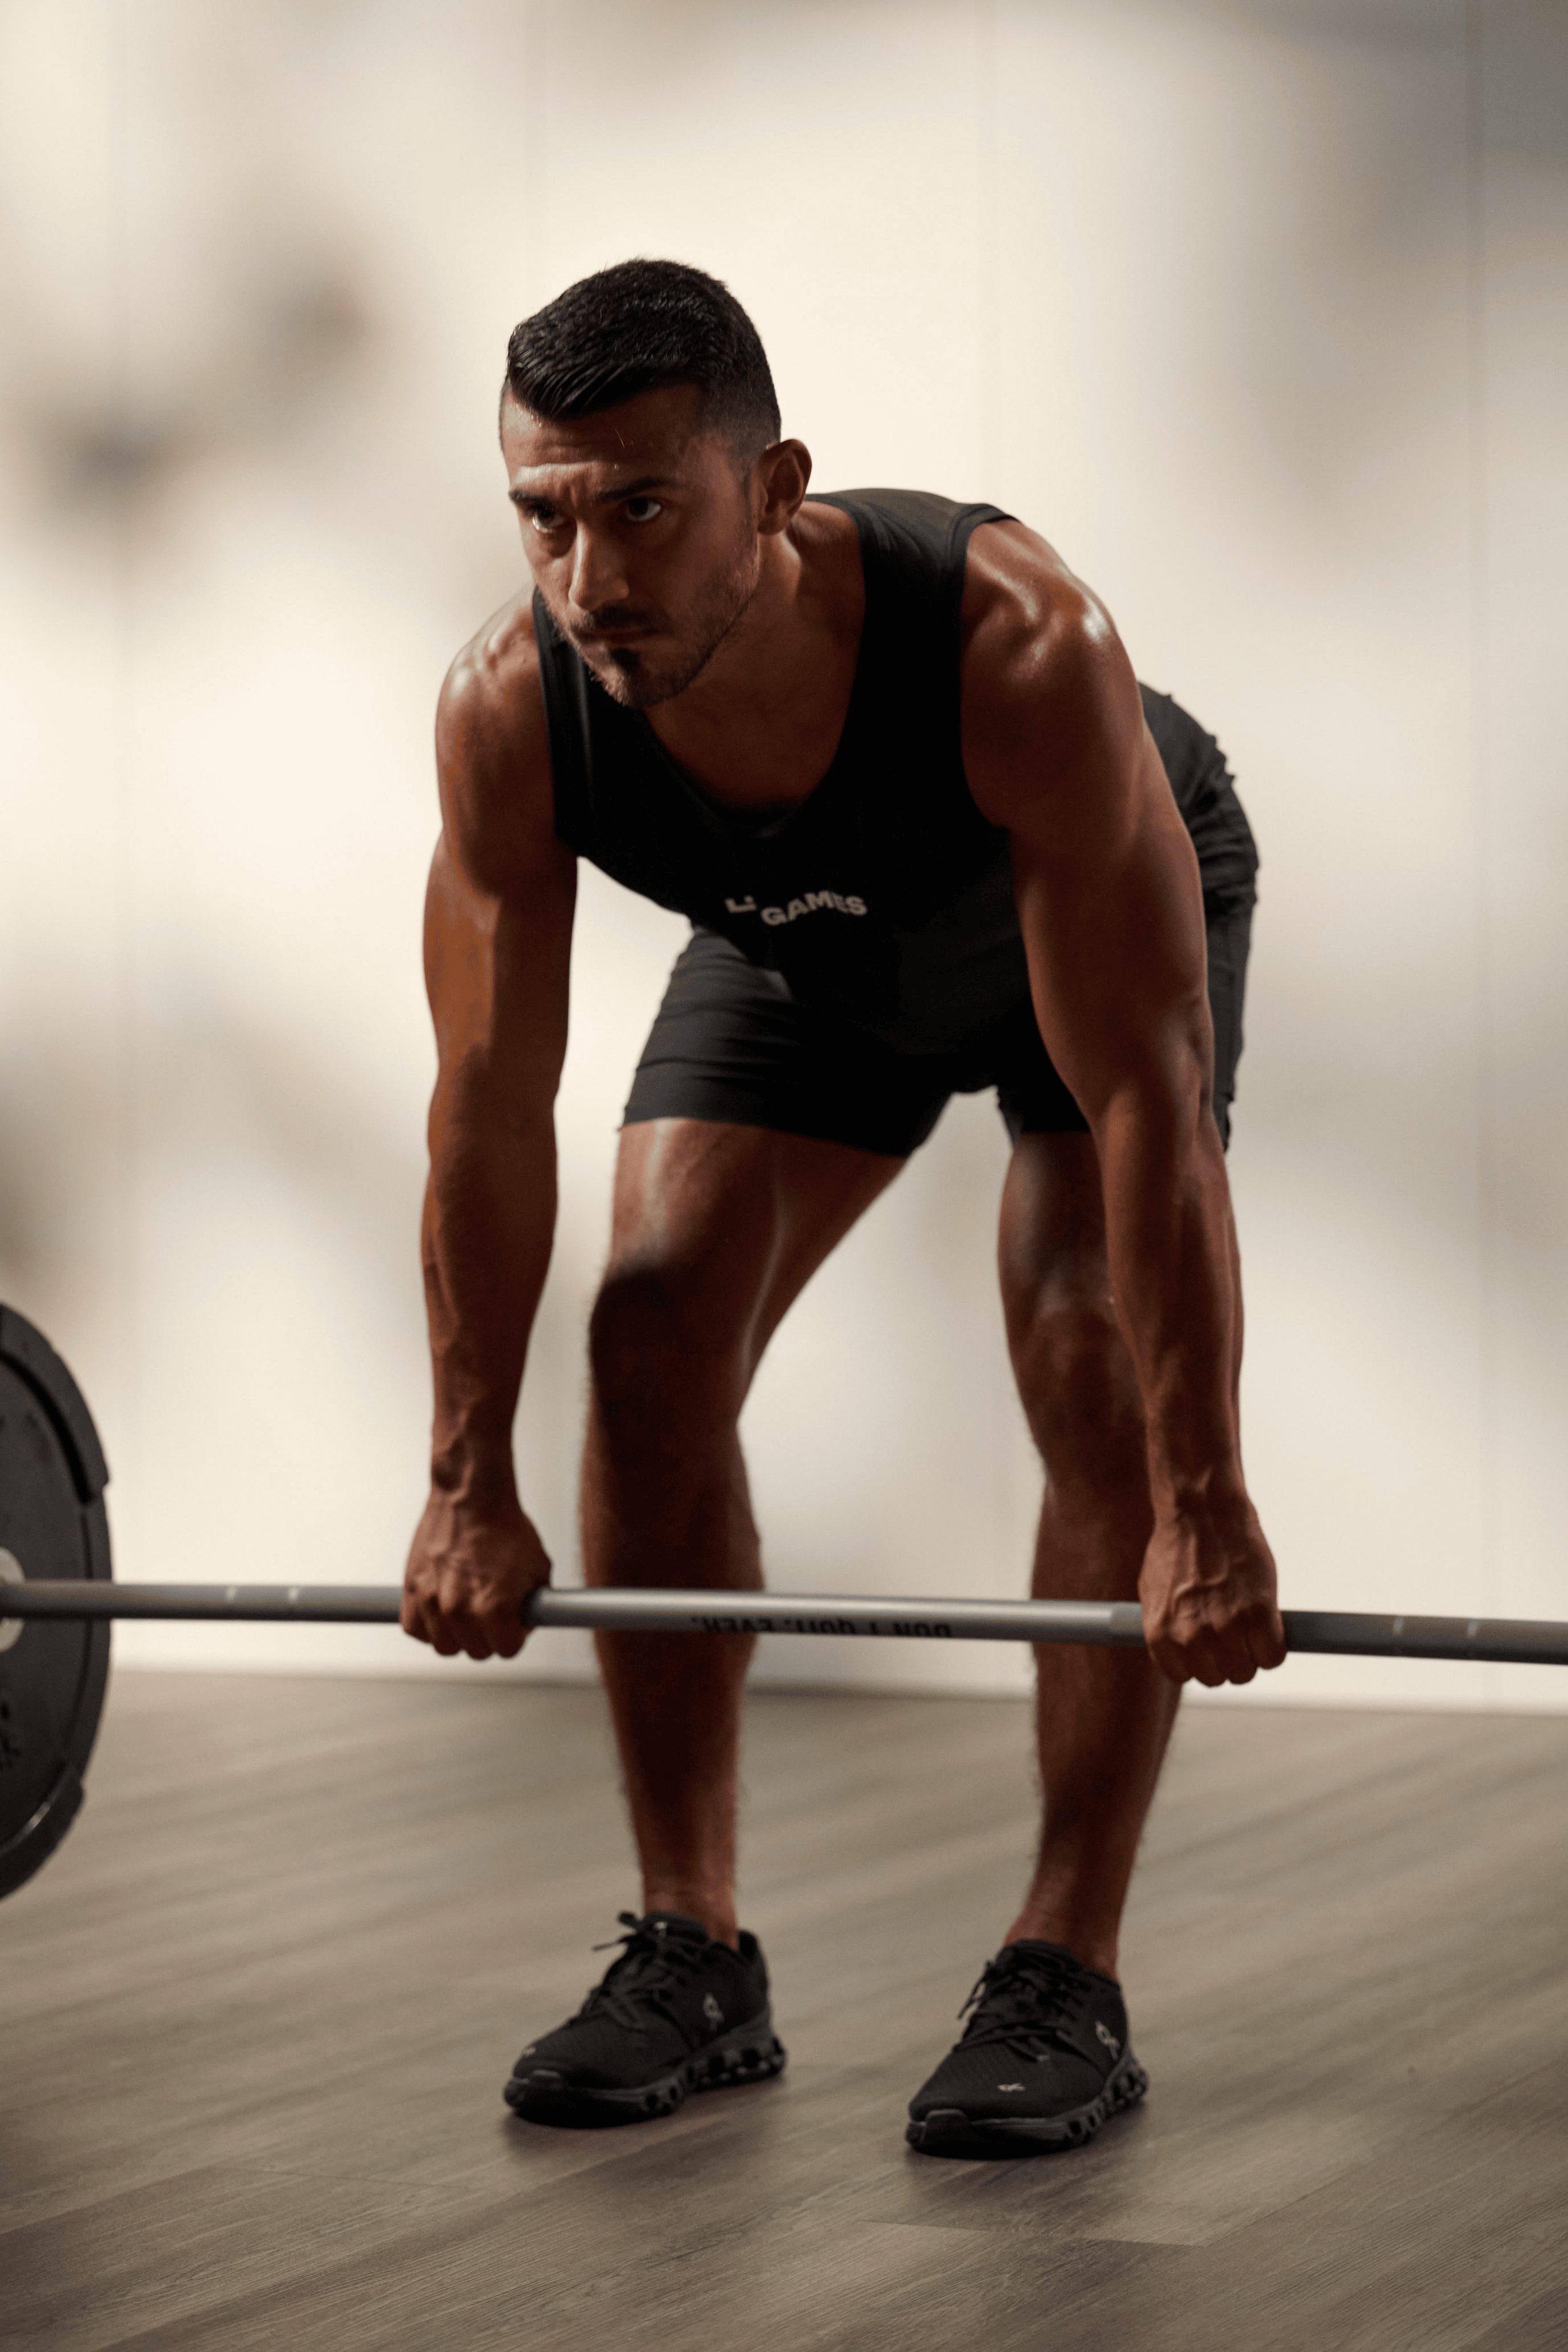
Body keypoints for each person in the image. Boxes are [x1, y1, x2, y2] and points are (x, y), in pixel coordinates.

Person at [401, 258, 1283, 2158]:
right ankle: (692, 1947)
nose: (589, 577)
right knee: (648, 1326)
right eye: (544, 516)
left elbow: (1142, 1097)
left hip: (1078, 926)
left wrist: (1203, 1502)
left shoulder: (1016, 648)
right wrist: (468, 1471)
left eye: (643, 507)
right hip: (813, 956)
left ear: (774, 486)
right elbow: (485, 1105)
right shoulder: (513, 707)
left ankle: (1067, 1966)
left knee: (1084, 1349)